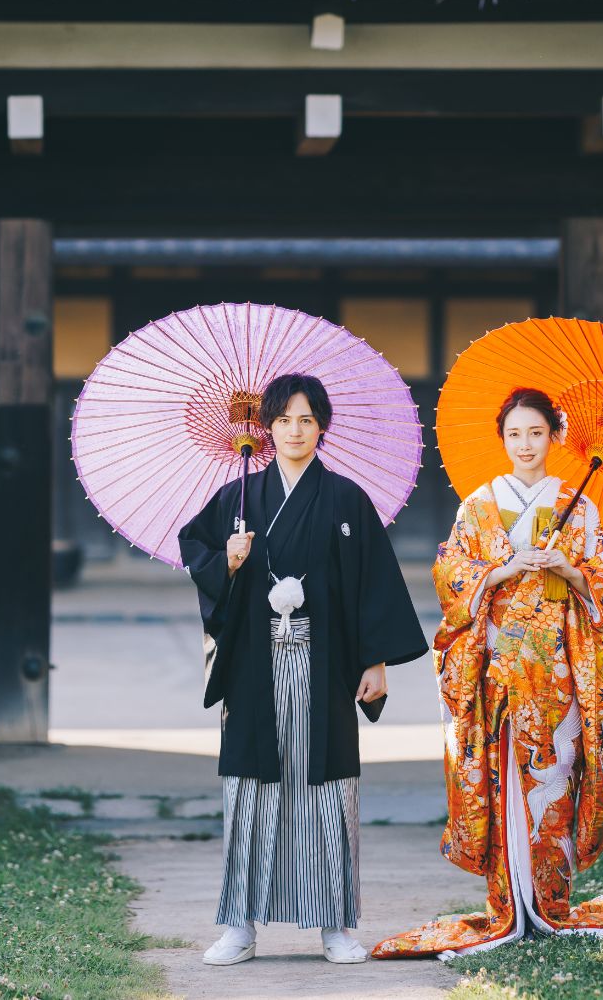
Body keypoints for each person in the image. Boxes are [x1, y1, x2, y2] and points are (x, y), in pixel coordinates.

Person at [373, 387, 603, 959]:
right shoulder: (478, 505)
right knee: (501, 779)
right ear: (502, 439)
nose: (525, 444)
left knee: (555, 778)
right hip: (494, 666)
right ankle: (508, 903)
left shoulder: (580, 507)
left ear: (554, 437)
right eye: (514, 433)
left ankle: (551, 904)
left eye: (536, 432)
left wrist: (569, 567)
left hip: (559, 668)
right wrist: (500, 569)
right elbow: (450, 572)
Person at [178, 371, 428, 967]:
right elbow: (196, 547)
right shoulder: (238, 497)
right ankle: (240, 924)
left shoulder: (345, 499)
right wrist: (229, 562)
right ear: (267, 428)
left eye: (307, 420)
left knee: (326, 792)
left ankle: (335, 925)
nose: (295, 430)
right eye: (284, 420)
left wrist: (377, 662)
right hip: (255, 664)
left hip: (327, 663)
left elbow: (373, 584)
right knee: (251, 791)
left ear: (322, 427)